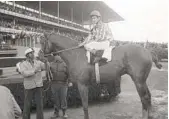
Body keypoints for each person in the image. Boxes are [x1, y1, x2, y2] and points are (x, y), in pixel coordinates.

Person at [19, 48, 46, 119]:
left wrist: (44, 59)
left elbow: (45, 67)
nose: (33, 54)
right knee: (27, 105)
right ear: (27, 55)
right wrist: (34, 71)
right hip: (29, 87)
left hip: (38, 86)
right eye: (31, 53)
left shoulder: (38, 62)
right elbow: (24, 73)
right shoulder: (23, 64)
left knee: (40, 104)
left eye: (33, 53)